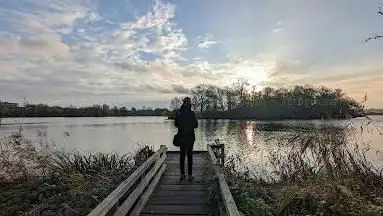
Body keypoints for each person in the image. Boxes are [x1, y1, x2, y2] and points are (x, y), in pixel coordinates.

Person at [174, 97, 198, 181]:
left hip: (181, 137)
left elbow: (176, 124)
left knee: (182, 155)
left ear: (183, 103)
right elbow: (196, 125)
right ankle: (190, 175)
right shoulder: (192, 113)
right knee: (190, 156)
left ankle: (182, 174)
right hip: (190, 137)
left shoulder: (178, 113)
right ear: (189, 104)